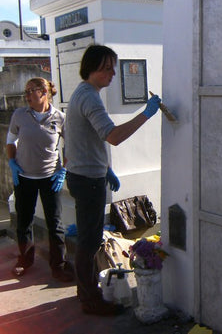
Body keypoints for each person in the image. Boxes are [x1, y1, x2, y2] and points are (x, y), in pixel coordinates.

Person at [64, 44, 161, 316]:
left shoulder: (84, 93)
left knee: (89, 238)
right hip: (87, 179)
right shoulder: (89, 97)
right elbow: (113, 136)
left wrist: (105, 166)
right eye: (107, 68)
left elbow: (83, 136)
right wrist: (146, 114)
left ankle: (86, 291)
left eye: (113, 68)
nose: (112, 74)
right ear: (91, 68)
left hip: (88, 174)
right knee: (90, 241)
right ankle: (90, 300)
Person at [7, 77, 74, 282]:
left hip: (50, 178)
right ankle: (24, 260)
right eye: (25, 92)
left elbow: (69, 146)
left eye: (30, 91)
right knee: (24, 221)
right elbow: (11, 140)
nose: (26, 96)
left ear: (44, 92)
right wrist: (12, 162)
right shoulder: (19, 115)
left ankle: (59, 266)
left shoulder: (60, 118)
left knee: (55, 224)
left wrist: (63, 170)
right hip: (24, 177)